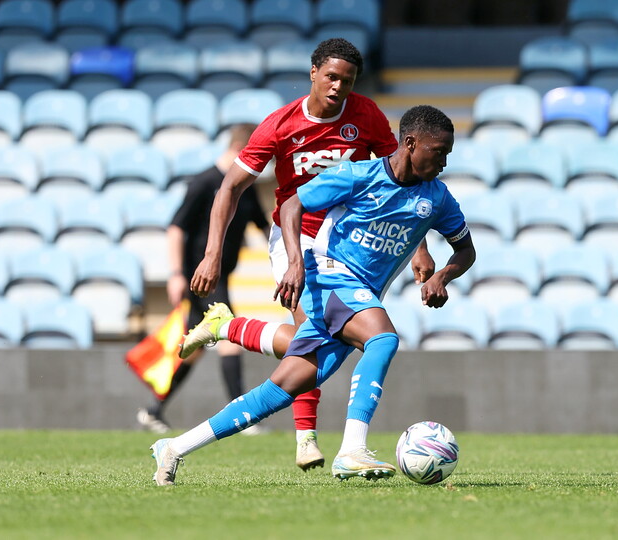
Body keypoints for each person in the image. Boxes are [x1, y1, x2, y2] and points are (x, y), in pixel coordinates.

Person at [150, 104, 475, 486]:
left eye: (448, 154)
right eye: (439, 153)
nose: (444, 162)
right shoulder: (359, 175)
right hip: (329, 276)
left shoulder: (437, 198)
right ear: (410, 143)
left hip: (360, 293)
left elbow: (465, 250)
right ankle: (352, 449)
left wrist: (444, 276)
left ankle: (174, 447)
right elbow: (292, 204)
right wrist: (295, 262)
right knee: (383, 339)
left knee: (281, 390)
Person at [185, 38, 436, 471]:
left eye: (348, 80)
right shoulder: (279, 125)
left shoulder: (368, 116)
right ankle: (308, 440)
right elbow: (230, 186)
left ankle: (229, 326)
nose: (339, 87)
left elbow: (401, 182)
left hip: (348, 245)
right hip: (294, 236)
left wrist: (420, 246)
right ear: (314, 73)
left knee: (317, 343)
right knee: (312, 331)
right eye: (332, 77)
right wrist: (212, 254)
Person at [136, 123, 270, 435]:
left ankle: (153, 410)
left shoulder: (244, 188)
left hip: (219, 277)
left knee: (193, 351)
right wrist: (175, 275)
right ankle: (243, 416)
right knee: (231, 338)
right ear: (242, 151)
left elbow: (263, 227)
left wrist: (288, 261)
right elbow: (176, 229)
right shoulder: (205, 182)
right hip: (202, 277)